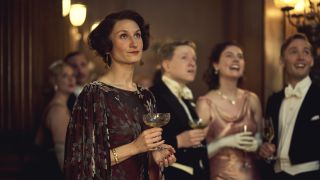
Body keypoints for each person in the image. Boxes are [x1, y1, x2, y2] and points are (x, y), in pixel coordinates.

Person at [64, 10, 176, 179]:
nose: (134, 43)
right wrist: (135, 147)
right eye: (124, 36)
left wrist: (154, 157)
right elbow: (78, 163)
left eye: (137, 35)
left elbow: (145, 160)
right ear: (107, 45)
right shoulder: (94, 94)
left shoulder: (146, 96)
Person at [196, 41, 263, 180]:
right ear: (216, 65)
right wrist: (225, 142)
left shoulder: (252, 99)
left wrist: (257, 144)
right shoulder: (205, 103)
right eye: (229, 55)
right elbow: (197, 153)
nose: (236, 60)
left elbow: (262, 138)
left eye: (240, 56)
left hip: (252, 175)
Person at [258, 33, 320, 179]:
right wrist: (265, 151)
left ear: (311, 61)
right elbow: (269, 140)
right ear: (282, 60)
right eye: (293, 52)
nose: (301, 57)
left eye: (306, 52)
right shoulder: (273, 101)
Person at [150, 40, 210, 179]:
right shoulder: (153, 95)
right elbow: (145, 140)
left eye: (194, 59)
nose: (192, 63)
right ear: (167, 65)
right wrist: (178, 141)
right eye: (184, 57)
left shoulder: (186, 97)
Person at [34, 60, 76, 179]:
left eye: (72, 75)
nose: (71, 79)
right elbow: (63, 158)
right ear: (54, 81)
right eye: (64, 75)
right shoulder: (58, 110)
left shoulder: (58, 106)